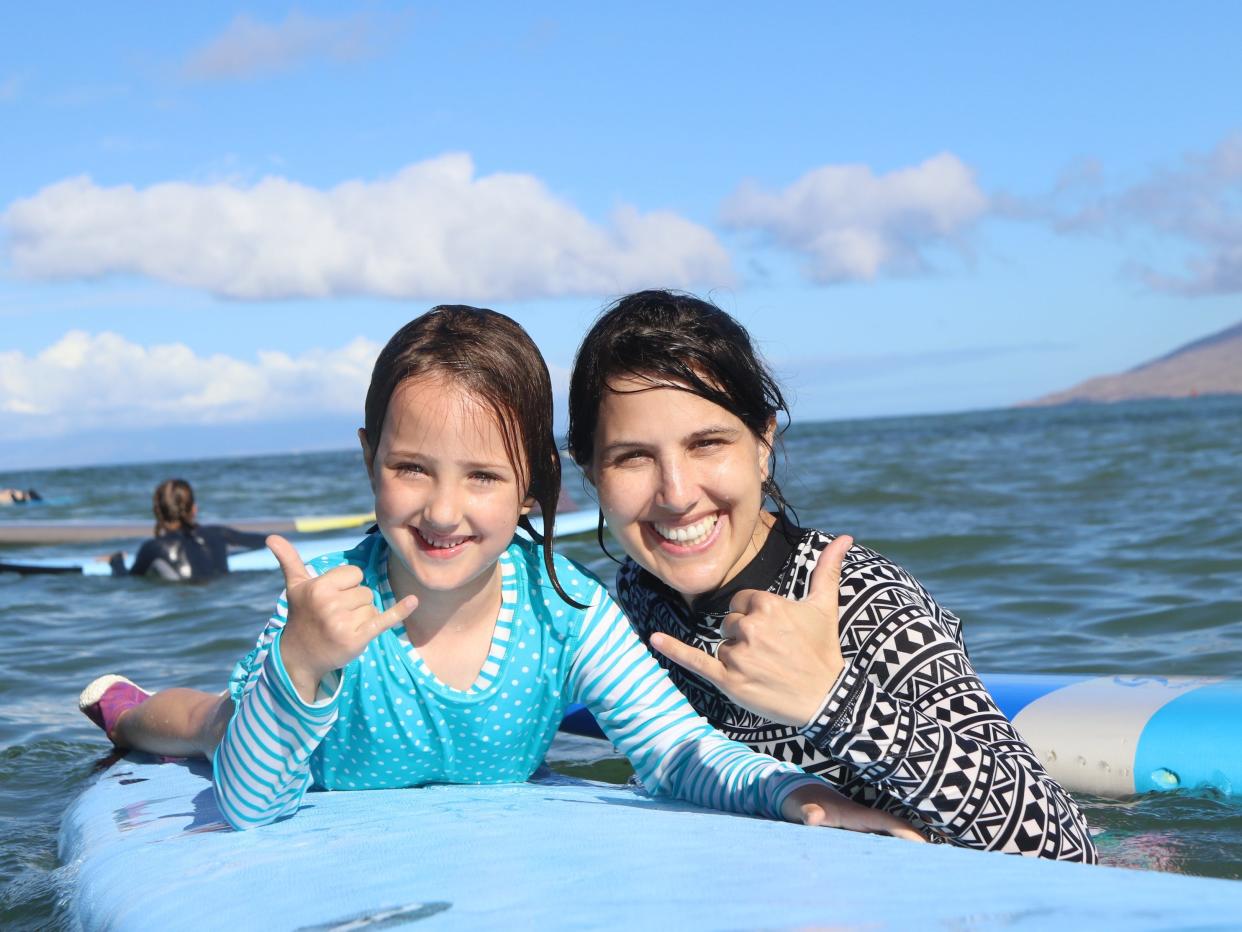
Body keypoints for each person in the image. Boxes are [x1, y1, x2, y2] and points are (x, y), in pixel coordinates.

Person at [80, 305, 922, 840]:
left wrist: (792, 793)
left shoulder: (567, 612)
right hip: (268, 724)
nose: (445, 512)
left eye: (482, 477)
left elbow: (673, 749)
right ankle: (125, 709)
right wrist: (300, 664)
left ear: (533, 488)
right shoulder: (327, 603)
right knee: (203, 722)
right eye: (412, 468)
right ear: (369, 459)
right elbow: (251, 804)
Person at [565, 290, 1099, 862]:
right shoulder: (641, 591)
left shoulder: (863, 602)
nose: (676, 494)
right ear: (592, 471)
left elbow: (1064, 844)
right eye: (633, 457)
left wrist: (833, 701)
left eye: (707, 444)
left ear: (763, 443)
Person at [107, 479, 269, 580]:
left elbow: (128, 579)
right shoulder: (218, 533)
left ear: (158, 512)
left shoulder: (153, 548)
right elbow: (264, 540)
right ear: (194, 508)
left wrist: (116, 561)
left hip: (185, 594)